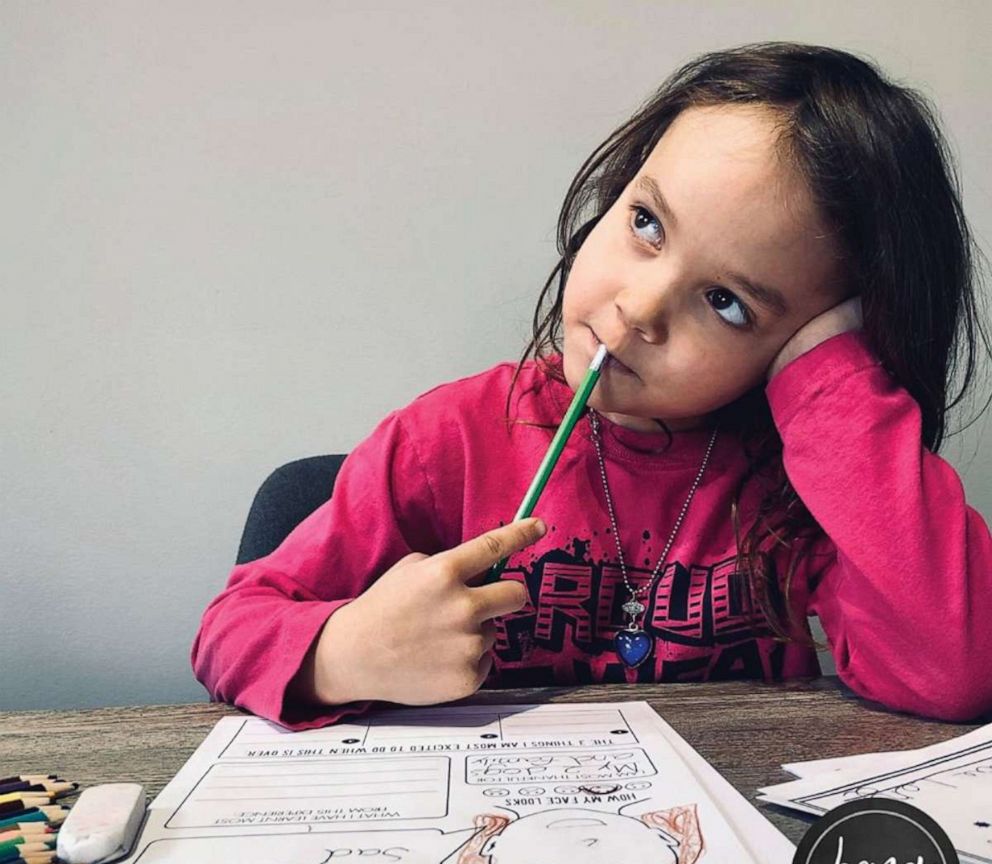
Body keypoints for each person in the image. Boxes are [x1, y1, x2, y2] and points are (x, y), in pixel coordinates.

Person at [191, 41, 992, 730]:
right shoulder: (448, 441)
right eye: (647, 223)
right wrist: (345, 653)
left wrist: (832, 383)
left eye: (728, 303)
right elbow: (229, 630)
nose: (638, 309)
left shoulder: (805, 490)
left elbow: (959, 667)